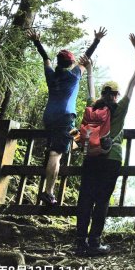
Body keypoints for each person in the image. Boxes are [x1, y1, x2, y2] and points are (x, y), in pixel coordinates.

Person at [75, 34, 135, 256]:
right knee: (102, 199)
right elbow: (131, 87)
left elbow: (90, 90)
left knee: (85, 197)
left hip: (90, 155)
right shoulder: (120, 108)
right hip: (112, 157)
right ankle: (95, 242)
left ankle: (80, 243)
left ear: (103, 93)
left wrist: (91, 69)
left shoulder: (93, 107)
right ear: (115, 95)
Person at [28, 27, 107, 206]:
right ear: (71, 64)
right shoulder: (74, 77)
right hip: (64, 118)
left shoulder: (50, 74)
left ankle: (74, 152)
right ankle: (48, 193)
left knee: (78, 140)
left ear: (58, 62)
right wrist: (96, 41)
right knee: (56, 154)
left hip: (50, 117)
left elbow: (45, 58)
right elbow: (85, 58)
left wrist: (37, 41)